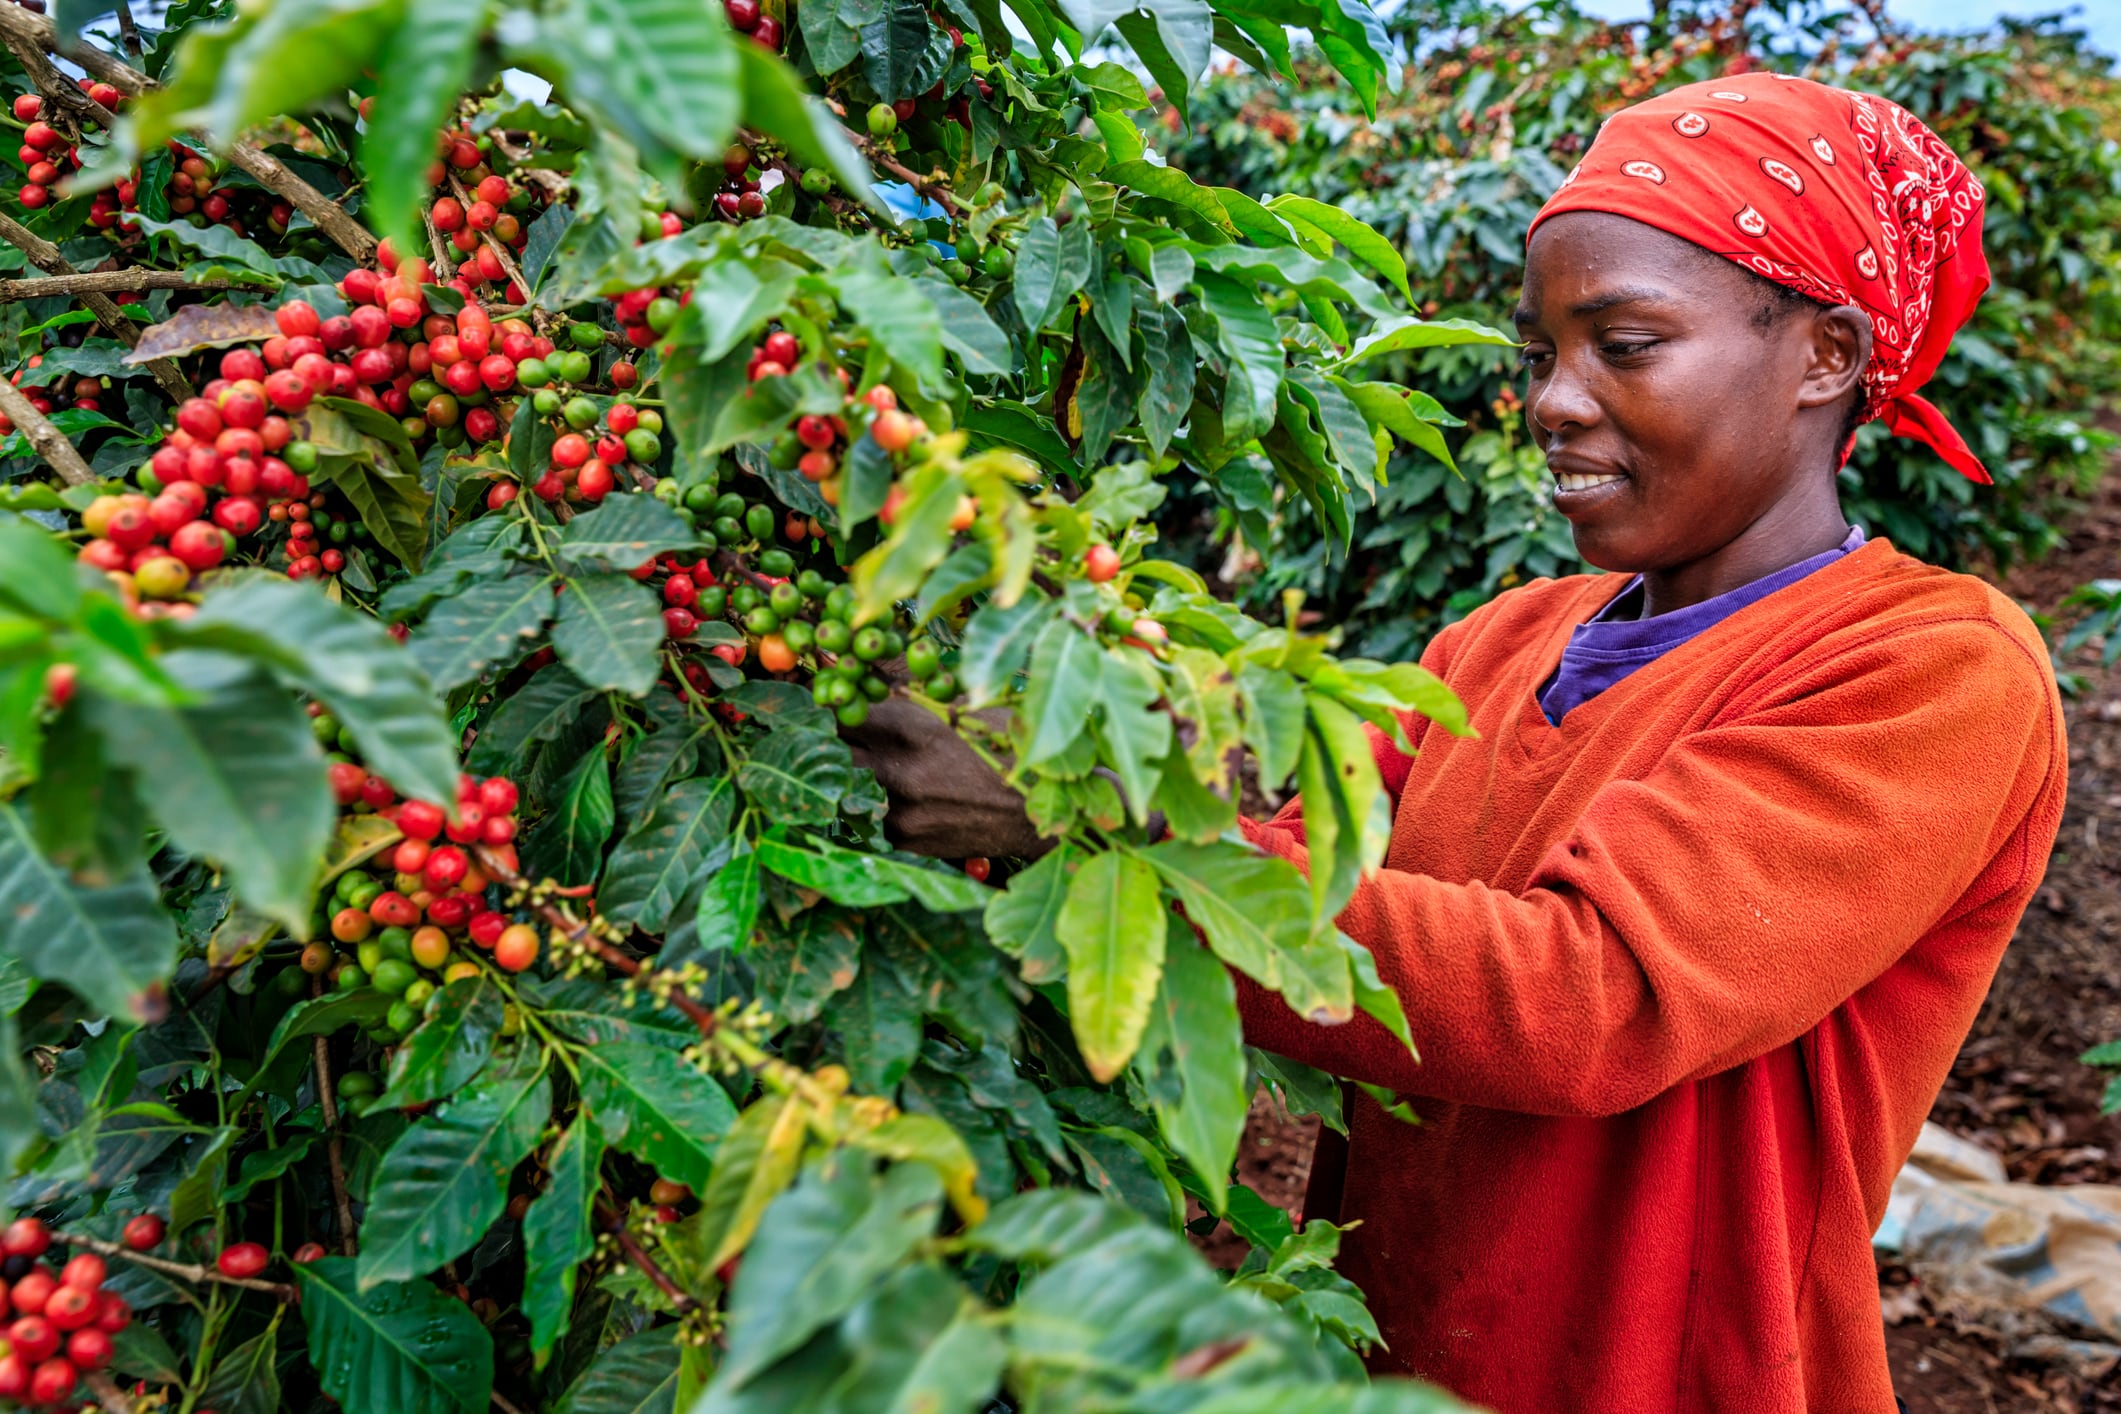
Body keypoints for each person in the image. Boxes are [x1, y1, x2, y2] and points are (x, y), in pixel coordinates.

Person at [851, 72, 2068, 1412]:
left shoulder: (1932, 667)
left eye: (1623, 342)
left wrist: (1082, 823)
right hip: (1397, 1348)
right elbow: (1316, 856)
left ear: (1824, 356)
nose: (1553, 400)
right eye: (1542, 352)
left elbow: (1584, 998)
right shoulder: (1499, 642)